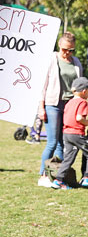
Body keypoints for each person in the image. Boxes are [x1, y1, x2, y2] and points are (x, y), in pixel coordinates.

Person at [38, 32, 82, 188]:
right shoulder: (51, 59)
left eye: (71, 50)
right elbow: (43, 85)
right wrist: (41, 107)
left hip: (70, 105)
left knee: (63, 144)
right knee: (52, 142)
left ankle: (59, 176)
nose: (67, 53)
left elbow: (79, 86)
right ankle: (43, 174)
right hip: (53, 104)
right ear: (59, 46)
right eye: (65, 49)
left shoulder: (76, 62)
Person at [53, 77, 88, 190]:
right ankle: (86, 178)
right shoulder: (83, 102)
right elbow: (79, 118)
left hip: (67, 133)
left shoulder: (69, 102)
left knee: (68, 158)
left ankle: (58, 180)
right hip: (77, 133)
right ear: (84, 91)